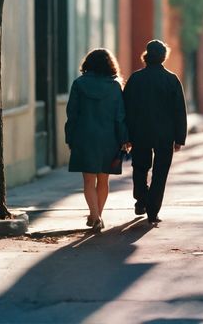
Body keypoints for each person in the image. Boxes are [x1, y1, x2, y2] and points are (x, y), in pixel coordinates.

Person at [65, 48, 129, 232]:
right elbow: (120, 116)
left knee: (88, 181)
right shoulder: (115, 86)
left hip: (85, 137)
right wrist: (124, 138)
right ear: (110, 65)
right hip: (109, 139)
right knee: (103, 181)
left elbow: (72, 114)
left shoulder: (78, 84)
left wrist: (70, 137)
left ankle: (95, 216)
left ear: (88, 64)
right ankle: (97, 215)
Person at [123, 40, 187, 225]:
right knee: (160, 172)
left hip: (140, 132)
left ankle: (141, 199)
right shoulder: (171, 79)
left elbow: (126, 108)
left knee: (140, 167)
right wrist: (179, 138)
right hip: (165, 135)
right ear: (163, 56)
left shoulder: (136, 79)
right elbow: (179, 111)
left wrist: (126, 136)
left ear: (146, 55)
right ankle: (153, 211)